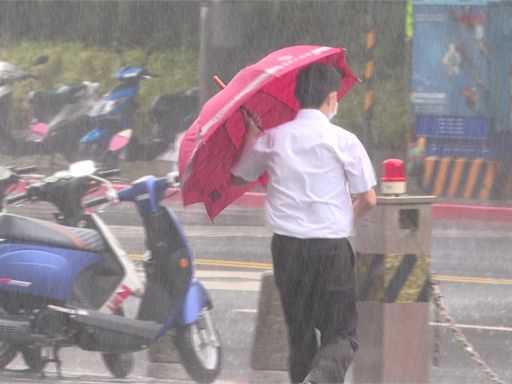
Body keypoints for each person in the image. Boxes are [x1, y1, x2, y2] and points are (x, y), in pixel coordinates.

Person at [231, 62, 377, 384]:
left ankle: (307, 378)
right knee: (342, 334)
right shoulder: (344, 141)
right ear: (332, 98)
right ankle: (320, 378)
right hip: (330, 250)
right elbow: (368, 199)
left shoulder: (274, 139)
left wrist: (252, 136)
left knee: (300, 337)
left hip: (286, 250)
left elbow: (241, 173)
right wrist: (342, 221)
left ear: (298, 97)